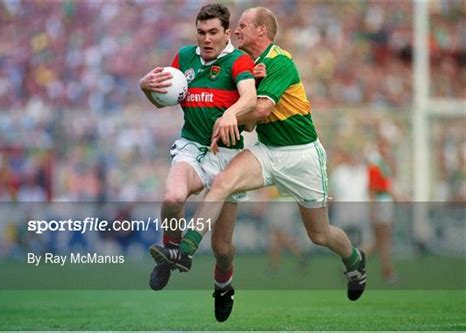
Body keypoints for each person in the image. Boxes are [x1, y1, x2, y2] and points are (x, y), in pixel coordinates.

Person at [150, 6, 367, 321]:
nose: (236, 31)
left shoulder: (280, 61)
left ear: (261, 31)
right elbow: (251, 126)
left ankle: (354, 261)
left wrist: (230, 114)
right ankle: (186, 250)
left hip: (301, 155)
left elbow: (261, 111)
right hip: (267, 150)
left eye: (242, 26)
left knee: (319, 235)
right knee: (223, 181)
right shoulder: (245, 64)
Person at [139, 3, 256, 293]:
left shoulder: (239, 60)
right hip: (191, 146)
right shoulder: (184, 58)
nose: (206, 39)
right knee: (171, 198)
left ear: (226, 33)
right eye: (201, 32)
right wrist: (145, 88)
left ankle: (223, 283)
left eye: (213, 32)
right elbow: (162, 101)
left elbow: (250, 98)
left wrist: (231, 113)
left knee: (222, 247)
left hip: (227, 157)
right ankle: (171, 255)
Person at [364, 138, 398, 283]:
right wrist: (372, 208)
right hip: (381, 203)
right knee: (384, 240)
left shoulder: (383, 164)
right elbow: (372, 188)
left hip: (384, 202)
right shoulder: (375, 165)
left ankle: (351, 262)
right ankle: (387, 272)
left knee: (379, 241)